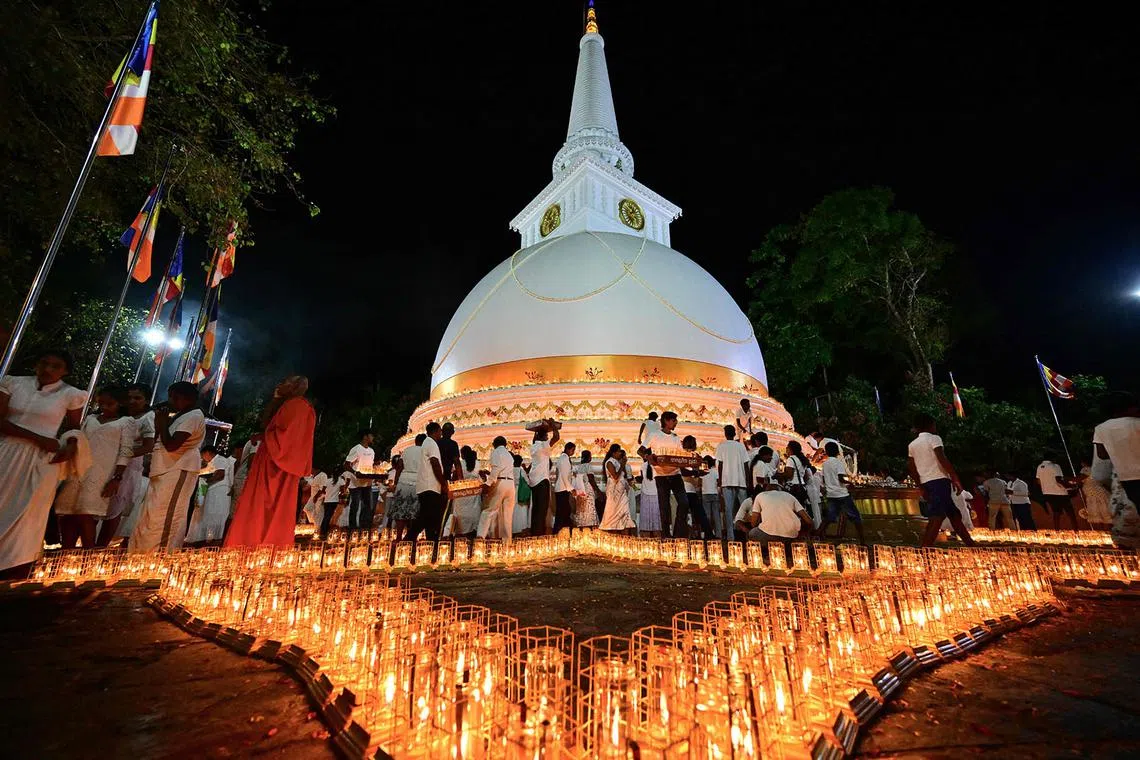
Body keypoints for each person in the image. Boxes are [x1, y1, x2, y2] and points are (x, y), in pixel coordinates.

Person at [0, 350, 86, 576]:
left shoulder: (71, 394)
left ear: (65, 371)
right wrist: (39, 439)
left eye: (55, 366)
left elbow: (74, 427)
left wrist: (70, 444)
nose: (48, 370)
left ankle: (17, 563)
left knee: (31, 510)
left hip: (41, 460)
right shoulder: (13, 383)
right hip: (6, 450)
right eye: (44, 363)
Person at [223, 376, 316, 548]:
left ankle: (266, 544)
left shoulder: (299, 406)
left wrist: (265, 436)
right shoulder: (288, 404)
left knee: (270, 507)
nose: (281, 385)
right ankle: (250, 541)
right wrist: (275, 399)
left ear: (295, 387)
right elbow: (266, 425)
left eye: (286, 383)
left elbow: (285, 438)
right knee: (258, 507)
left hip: (278, 466)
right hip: (270, 460)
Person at [130, 382, 207, 552]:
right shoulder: (181, 415)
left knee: (165, 516)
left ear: (189, 399)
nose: (171, 401)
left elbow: (172, 445)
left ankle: (158, 557)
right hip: (166, 469)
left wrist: (162, 423)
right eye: (171, 397)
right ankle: (142, 555)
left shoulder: (194, 416)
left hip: (178, 469)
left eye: (175, 397)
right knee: (152, 515)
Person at [54, 385, 134, 549]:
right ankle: (65, 553)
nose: (104, 407)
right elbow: (78, 437)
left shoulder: (126, 422)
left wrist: (116, 478)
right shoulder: (90, 419)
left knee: (86, 513)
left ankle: (88, 556)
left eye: (109, 403)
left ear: (120, 403)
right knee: (69, 512)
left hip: (102, 472)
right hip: (79, 468)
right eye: (101, 403)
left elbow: (125, 451)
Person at [905, 413, 973, 548]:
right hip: (939, 480)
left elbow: (912, 468)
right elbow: (942, 458)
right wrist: (954, 477)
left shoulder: (912, 445)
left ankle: (970, 543)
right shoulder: (934, 439)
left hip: (926, 482)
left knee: (953, 514)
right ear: (930, 425)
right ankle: (925, 547)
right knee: (938, 515)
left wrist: (921, 486)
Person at [103, 383, 155, 546]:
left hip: (128, 466)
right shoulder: (120, 415)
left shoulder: (148, 418)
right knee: (99, 502)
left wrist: (122, 454)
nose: (132, 401)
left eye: (137, 398)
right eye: (129, 397)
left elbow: (148, 446)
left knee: (114, 507)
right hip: (105, 462)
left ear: (146, 401)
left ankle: (100, 547)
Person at [638, 410, 688, 539]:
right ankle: (666, 536)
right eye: (673, 420)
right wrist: (648, 457)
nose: (675, 423)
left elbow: (680, 456)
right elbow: (640, 450)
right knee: (664, 507)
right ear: (666, 421)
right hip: (660, 475)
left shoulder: (675, 438)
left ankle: (678, 533)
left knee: (683, 503)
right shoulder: (654, 435)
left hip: (675, 473)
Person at [1093, 392, 1140, 508]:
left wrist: (1119, 452)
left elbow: (1102, 454)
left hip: (1127, 477)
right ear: (1128, 406)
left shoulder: (1100, 428)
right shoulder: (1136, 423)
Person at [817, 441, 866, 544]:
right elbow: (840, 478)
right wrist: (850, 483)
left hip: (831, 494)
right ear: (837, 452)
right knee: (856, 517)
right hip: (842, 494)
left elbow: (824, 478)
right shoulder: (838, 463)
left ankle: (817, 535)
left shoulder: (825, 464)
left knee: (829, 517)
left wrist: (826, 488)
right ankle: (862, 541)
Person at [185, 445, 234, 544]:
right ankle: (204, 536)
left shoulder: (220, 460)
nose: (203, 457)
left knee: (214, 514)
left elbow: (220, 474)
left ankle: (213, 537)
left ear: (207, 452)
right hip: (211, 491)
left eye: (202, 455)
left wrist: (206, 480)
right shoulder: (209, 463)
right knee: (208, 513)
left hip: (219, 491)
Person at [409, 422, 447, 541]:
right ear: (436, 431)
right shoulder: (431, 443)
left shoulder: (427, 443)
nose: (441, 434)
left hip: (426, 486)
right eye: (440, 431)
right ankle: (409, 539)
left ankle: (432, 541)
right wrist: (443, 482)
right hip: (430, 486)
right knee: (426, 516)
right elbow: (435, 463)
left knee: (430, 517)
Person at [478, 436, 516, 545]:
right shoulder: (509, 455)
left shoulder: (496, 452)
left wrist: (488, 483)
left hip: (500, 484)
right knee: (507, 515)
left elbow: (497, 468)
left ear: (495, 444)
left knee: (488, 511)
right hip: (510, 484)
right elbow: (502, 470)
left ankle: (480, 538)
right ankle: (507, 543)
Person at [746, 488, 813, 549]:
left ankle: (763, 555)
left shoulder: (760, 495)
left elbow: (753, 523)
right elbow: (808, 520)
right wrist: (802, 534)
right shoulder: (790, 496)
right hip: (791, 536)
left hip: (768, 536)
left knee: (752, 533)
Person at [714, 425, 749, 538]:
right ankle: (746, 534)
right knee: (745, 509)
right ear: (734, 434)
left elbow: (720, 464)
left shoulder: (721, 446)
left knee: (728, 509)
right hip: (741, 480)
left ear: (725, 434)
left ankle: (731, 536)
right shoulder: (740, 446)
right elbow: (746, 464)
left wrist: (720, 480)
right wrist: (748, 480)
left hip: (727, 480)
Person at [389, 434, 425, 540]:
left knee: (401, 510)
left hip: (403, 482)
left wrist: (396, 483)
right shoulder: (425, 451)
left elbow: (399, 467)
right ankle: (411, 537)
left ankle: (399, 536)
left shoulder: (406, 451)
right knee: (414, 511)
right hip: (417, 483)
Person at [527, 420, 559, 535]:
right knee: (542, 509)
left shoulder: (534, 446)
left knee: (536, 508)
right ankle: (539, 533)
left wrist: (536, 431)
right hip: (542, 481)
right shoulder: (543, 446)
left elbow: (535, 439)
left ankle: (535, 531)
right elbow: (556, 437)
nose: (547, 437)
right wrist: (553, 426)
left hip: (534, 480)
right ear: (544, 437)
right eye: (546, 435)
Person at [680, 435, 713, 538]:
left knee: (684, 515)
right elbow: (684, 471)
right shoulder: (691, 456)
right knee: (698, 514)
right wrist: (696, 473)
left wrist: (697, 472)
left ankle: (685, 535)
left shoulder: (688, 455)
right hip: (688, 488)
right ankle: (707, 534)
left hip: (687, 488)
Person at [344, 429, 376, 532]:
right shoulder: (356, 449)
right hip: (356, 483)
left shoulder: (371, 451)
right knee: (355, 505)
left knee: (368, 506)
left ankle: (364, 527)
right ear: (365, 437)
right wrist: (355, 472)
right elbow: (346, 464)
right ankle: (352, 528)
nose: (373, 438)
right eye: (371, 436)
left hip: (367, 482)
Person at [446, 446, 481, 536]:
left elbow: (454, 478)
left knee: (460, 514)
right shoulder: (477, 463)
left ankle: (460, 534)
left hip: (461, 493)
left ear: (463, 454)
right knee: (473, 512)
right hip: (474, 493)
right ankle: (473, 532)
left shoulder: (459, 464)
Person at [600, 448, 636, 532]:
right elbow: (615, 477)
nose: (620, 453)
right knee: (612, 511)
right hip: (614, 492)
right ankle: (612, 533)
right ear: (614, 453)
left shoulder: (617, 462)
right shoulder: (609, 462)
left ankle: (625, 535)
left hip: (622, 491)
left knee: (624, 511)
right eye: (618, 451)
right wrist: (623, 465)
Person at [1036, 457, 1076, 530]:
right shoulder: (1055, 466)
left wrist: (1046, 486)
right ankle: (1076, 530)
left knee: (1056, 512)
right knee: (1070, 512)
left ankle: (1057, 530)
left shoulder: (1039, 467)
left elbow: (1038, 481)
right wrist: (1070, 486)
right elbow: (1059, 479)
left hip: (1047, 492)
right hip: (1060, 492)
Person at [1079, 458, 1113, 529]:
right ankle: (1110, 529)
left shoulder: (1085, 469)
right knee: (1105, 511)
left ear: (1083, 463)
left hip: (1093, 493)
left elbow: (1081, 478)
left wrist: (1067, 479)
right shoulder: (1096, 470)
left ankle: (1103, 529)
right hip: (1099, 492)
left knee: (1097, 512)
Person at [231, 432, 262, 507]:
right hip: (245, 478)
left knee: (236, 507)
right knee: (240, 507)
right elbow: (252, 460)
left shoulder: (257, 439)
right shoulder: (257, 440)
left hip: (242, 478)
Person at [572, 450, 600, 528]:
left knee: (581, 508)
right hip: (587, 488)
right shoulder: (588, 465)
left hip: (580, 489)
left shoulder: (578, 467)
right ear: (588, 458)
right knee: (590, 508)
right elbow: (591, 478)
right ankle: (590, 526)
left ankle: (581, 525)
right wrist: (597, 490)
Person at [553, 441, 576, 533]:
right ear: (568, 449)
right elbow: (564, 475)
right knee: (563, 512)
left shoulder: (563, 458)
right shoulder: (564, 459)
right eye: (573, 450)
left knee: (564, 511)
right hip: (562, 488)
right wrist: (571, 489)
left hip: (562, 488)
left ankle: (565, 531)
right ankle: (559, 531)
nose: (573, 452)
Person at [700, 456, 722, 537]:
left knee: (707, 515)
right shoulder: (715, 471)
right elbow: (719, 482)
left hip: (705, 494)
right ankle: (718, 534)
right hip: (715, 493)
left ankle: (708, 533)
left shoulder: (703, 472)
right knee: (716, 515)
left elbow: (699, 483)